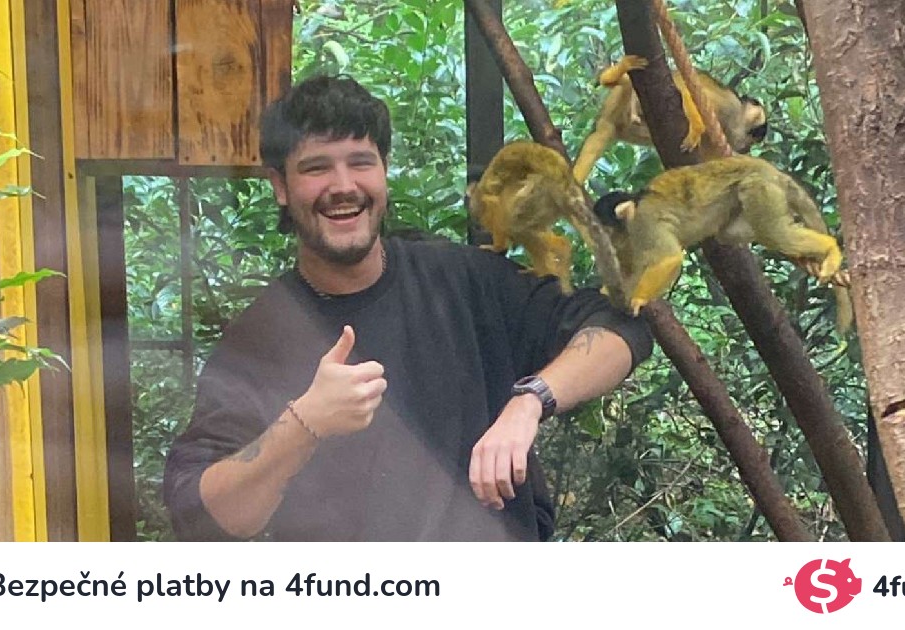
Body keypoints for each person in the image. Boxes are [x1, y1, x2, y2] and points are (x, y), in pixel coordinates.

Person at [163, 75, 653, 541]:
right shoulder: (263, 334)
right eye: (316, 168)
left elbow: (620, 330)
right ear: (280, 186)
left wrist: (530, 401)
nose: (343, 185)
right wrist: (304, 423)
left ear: (384, 170)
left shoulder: (464, 280)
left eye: (360, 162)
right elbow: (201, 515)